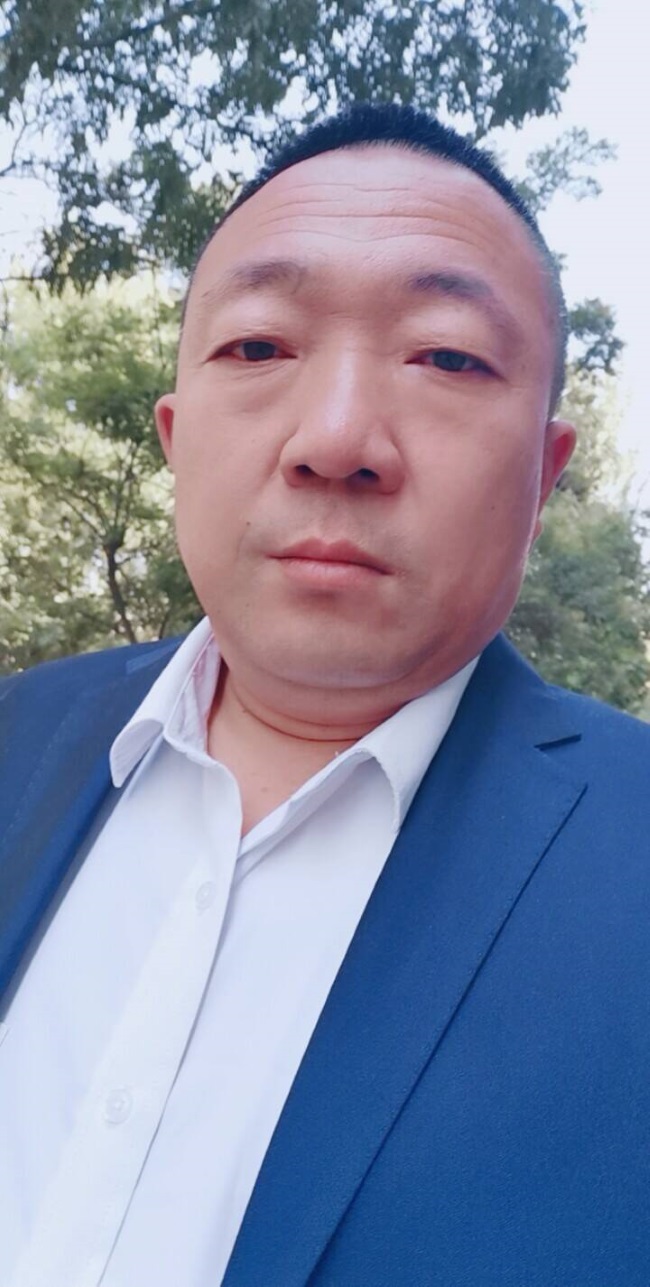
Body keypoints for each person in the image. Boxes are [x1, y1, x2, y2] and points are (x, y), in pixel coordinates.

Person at [0, 102, 649, 1287]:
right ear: (175, 435)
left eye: (445, 356)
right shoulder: (17, 738)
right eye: (257, 347)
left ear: (544, 472)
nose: (337, 438)